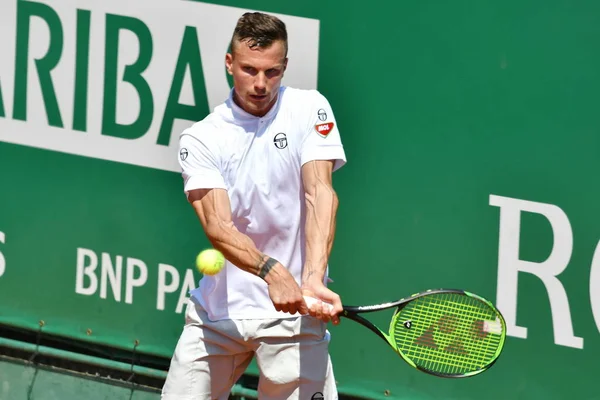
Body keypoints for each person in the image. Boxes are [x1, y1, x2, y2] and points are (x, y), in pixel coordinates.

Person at [161, 11, 347, 400]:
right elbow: (218, 226)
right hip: (218, 318)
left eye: (272, 72)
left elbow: (320, 193)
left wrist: (312, 277)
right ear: (230, 63)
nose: (261, 84)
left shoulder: (310, 108)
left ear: (285, 67)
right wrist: (271, 271)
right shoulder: (201, 139)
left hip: (295, 319)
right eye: (249, 69)